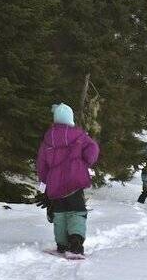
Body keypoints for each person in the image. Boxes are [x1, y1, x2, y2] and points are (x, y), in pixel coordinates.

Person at [35, 102, 100, 256]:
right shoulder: (79, 136)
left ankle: (62, 244)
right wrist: (86, 161)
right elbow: (93, 150)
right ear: (70, 119)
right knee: (76, 212)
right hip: (75, 182)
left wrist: (44, 184)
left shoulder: (47, 139)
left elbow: (42, 165)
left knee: (60, 213)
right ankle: (76, 240)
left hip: (56, 185)